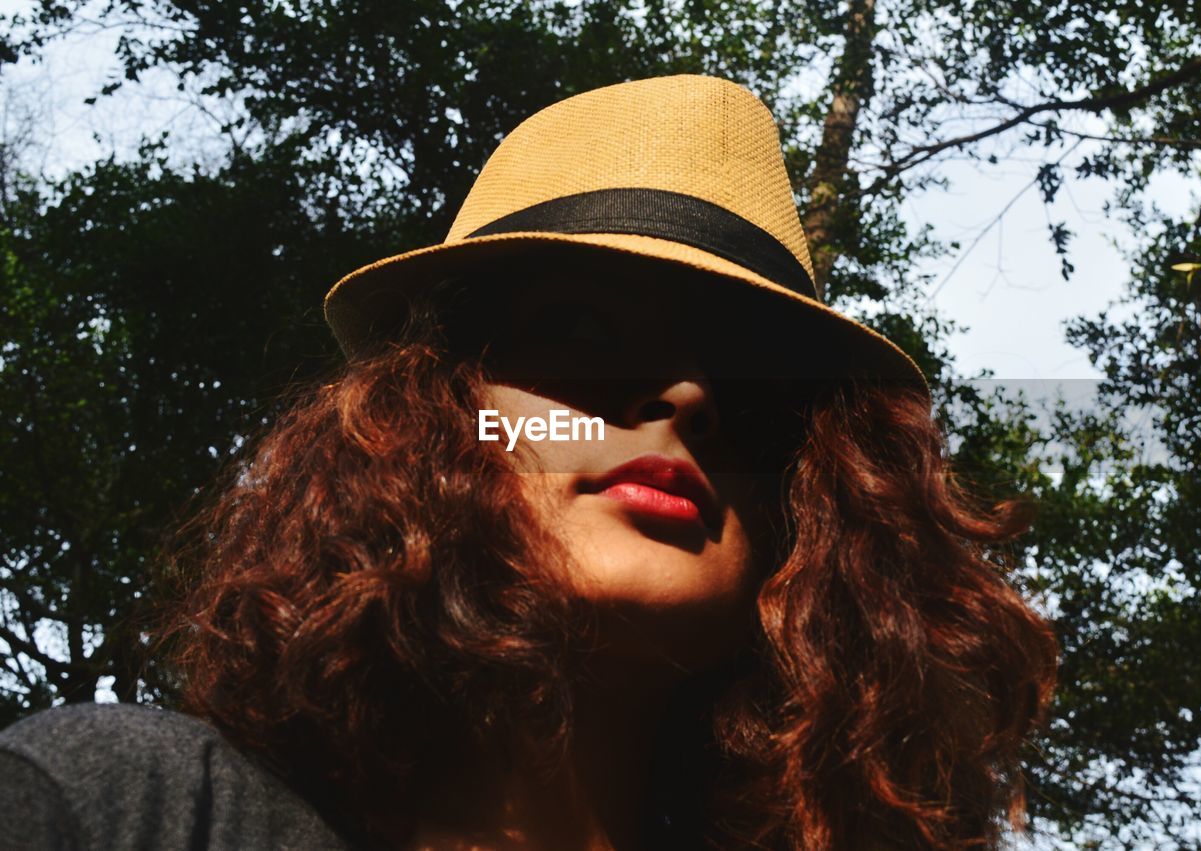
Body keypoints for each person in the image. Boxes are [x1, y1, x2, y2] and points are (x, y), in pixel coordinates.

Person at [0, 75, 1057, 851]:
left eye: (746, 386)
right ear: (430, 417)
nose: (682, 396)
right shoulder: (129, 809)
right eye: (584, 331)